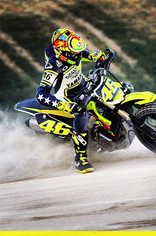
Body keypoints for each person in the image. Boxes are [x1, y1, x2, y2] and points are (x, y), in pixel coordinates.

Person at [36, 28, 106, 174]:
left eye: (77, 48)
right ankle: (80, 159)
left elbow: (82, 53)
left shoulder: (73, 52)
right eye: (73, 50)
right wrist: (62, 104)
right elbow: (41, 94)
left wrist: (95, 56)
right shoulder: (54, 65)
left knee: (102, 93)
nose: (77, 52)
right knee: (81, 112)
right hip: (65, 94)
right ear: (63, 51)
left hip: (79, 84)